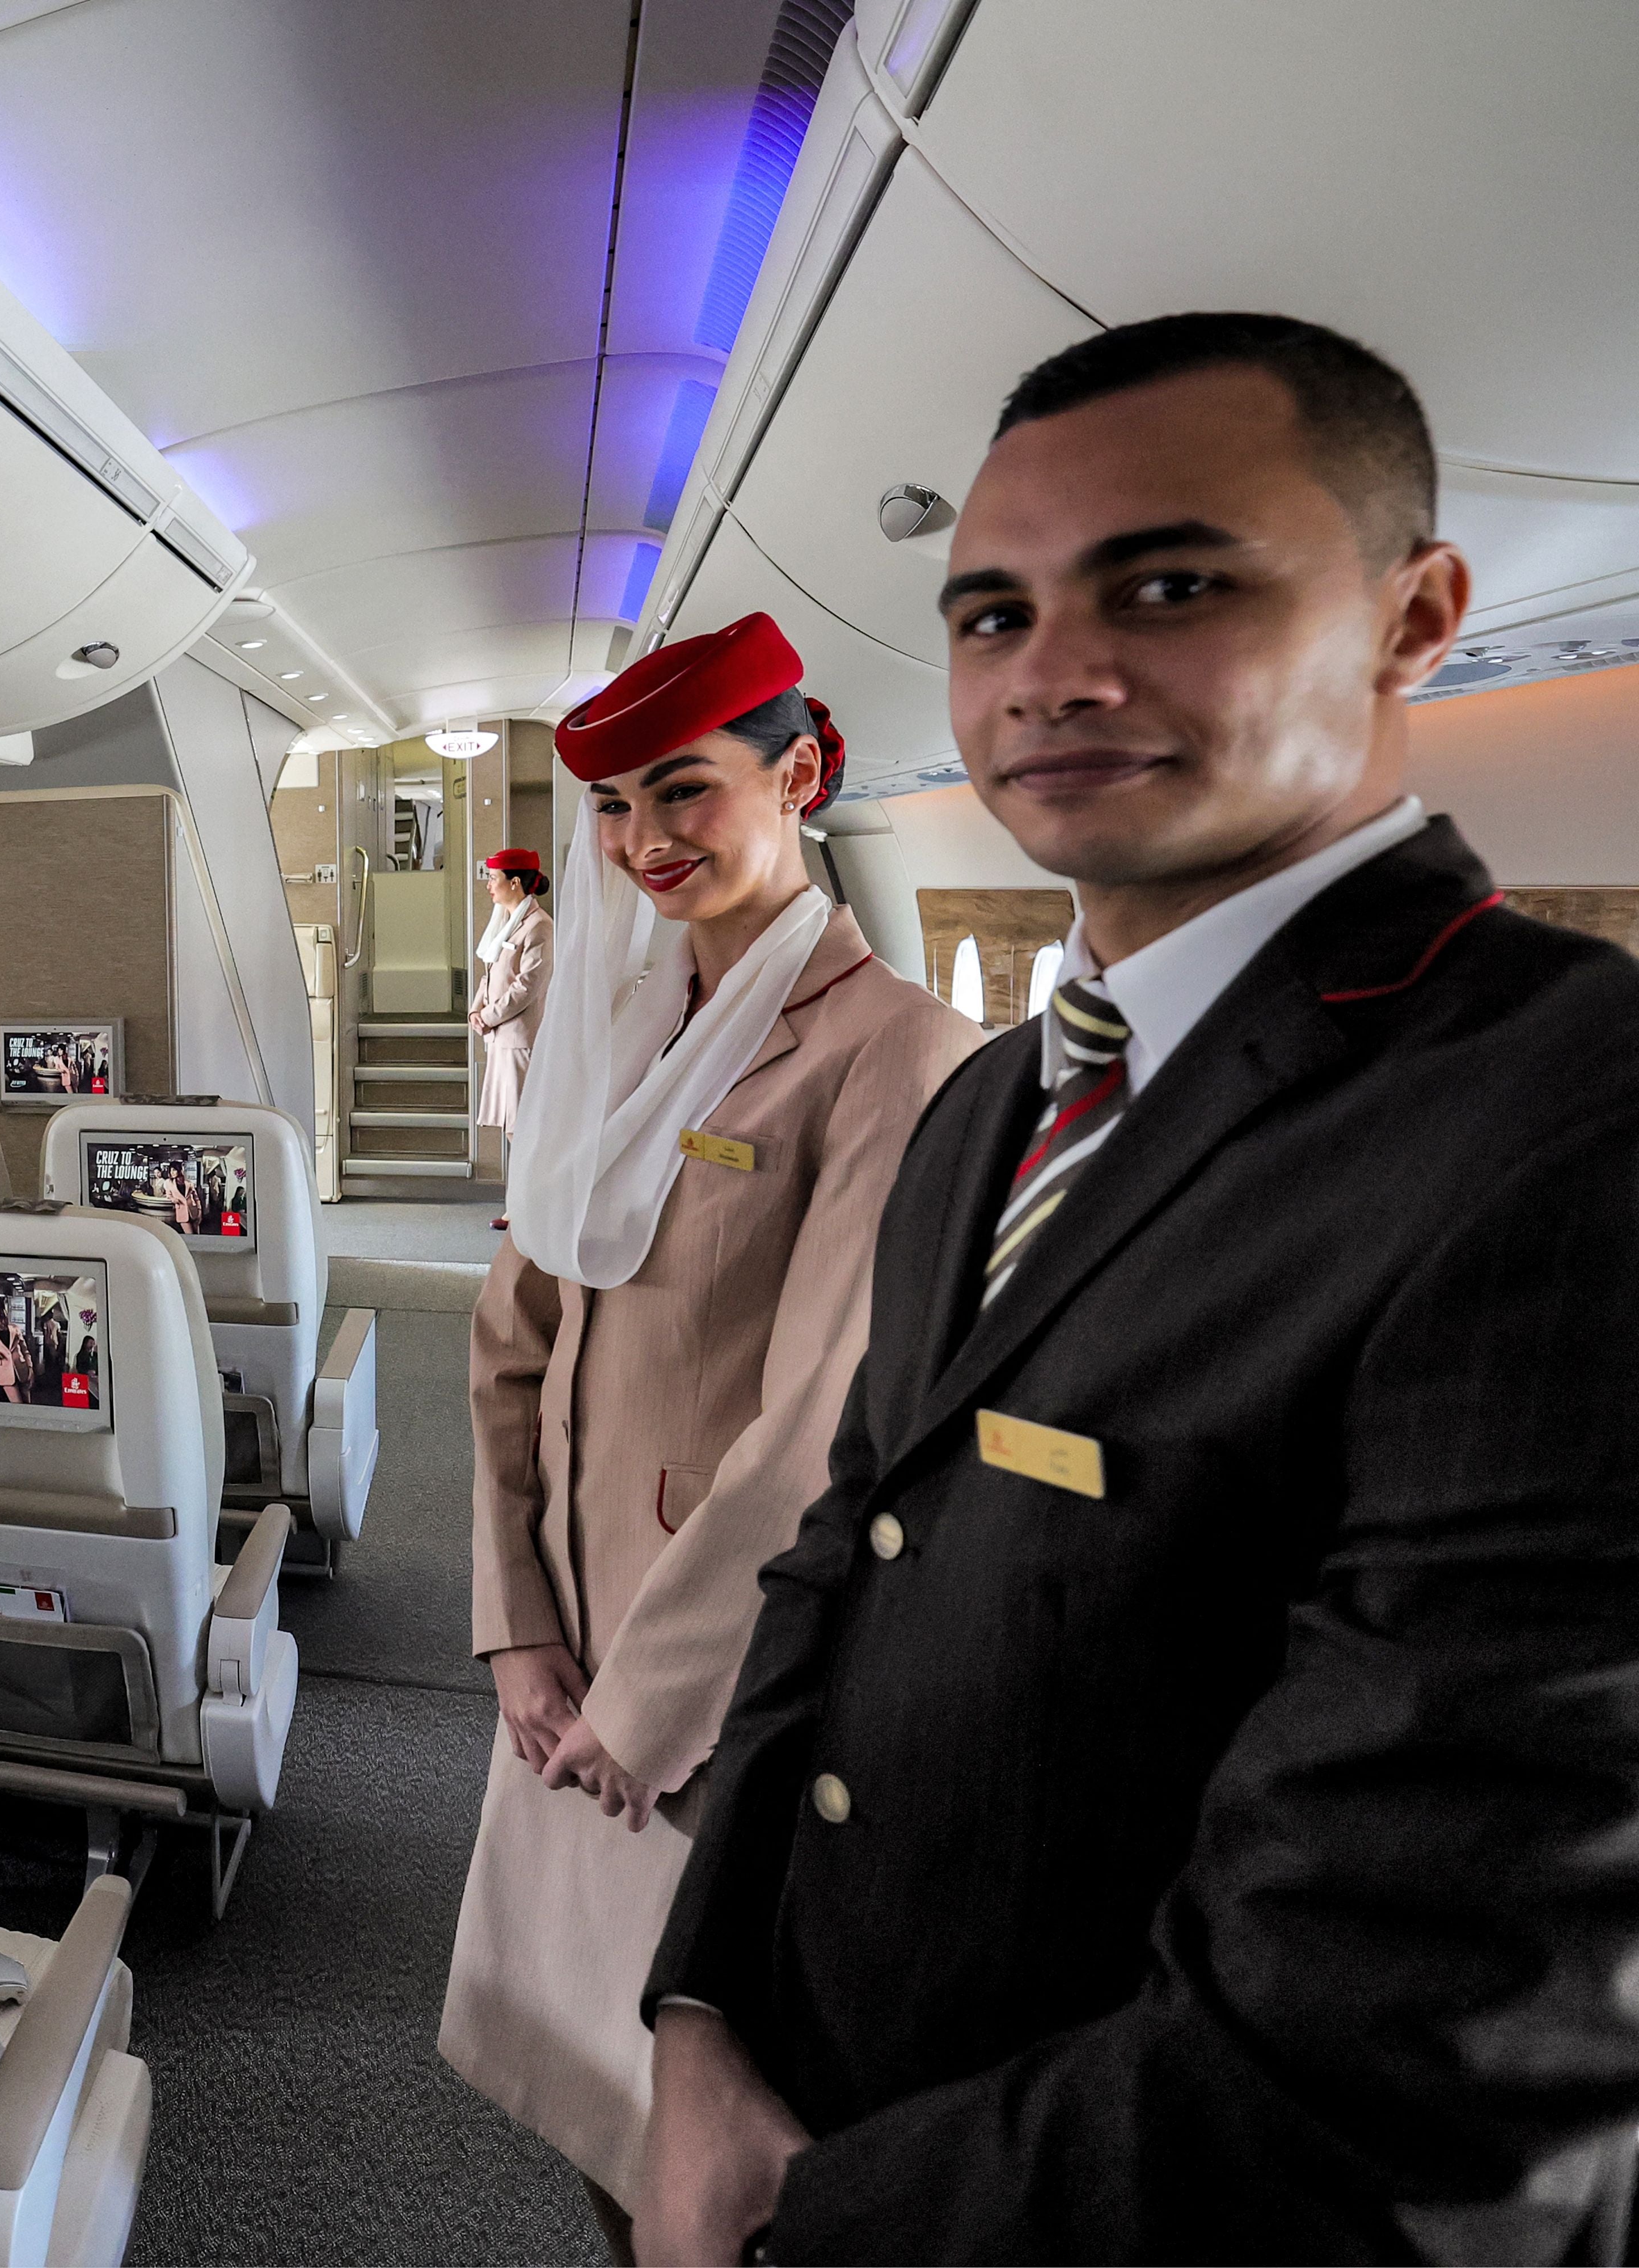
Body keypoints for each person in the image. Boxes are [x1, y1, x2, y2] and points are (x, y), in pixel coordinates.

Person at [636, 314, 1639, 2264]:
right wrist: (697, 2014)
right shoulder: (998, 1098)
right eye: (991, 615)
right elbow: (844, 1554)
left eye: (1168, 587)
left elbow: (1415, 2053)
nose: (1053, 671)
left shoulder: (1567, 1126)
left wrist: (804, 2222)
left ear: (1415, 617)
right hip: (828, 2089)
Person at [436, 610, 981, 2244]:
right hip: (565, 1645)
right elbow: (512, 1339)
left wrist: (644, 1703)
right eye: (614, 806)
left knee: (694, 2134)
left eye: (684, 790)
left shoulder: (901, 1057)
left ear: (798, 777)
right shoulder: (616, 1027)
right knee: (578, 2088)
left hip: (719, 1684)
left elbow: (822, 1421)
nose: (642, 840)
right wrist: (516, 1629)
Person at [471, 846, 554, 1229]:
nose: (489, 885)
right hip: (501, 1039)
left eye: (494, 878)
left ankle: (527, 1208)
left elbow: (527, 987)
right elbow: (490, 972)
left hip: (520, 1039)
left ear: (515, 882)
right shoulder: (506, 921)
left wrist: (488, 1016)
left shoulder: (539, 926)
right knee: (512, 1128)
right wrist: (475, 1010)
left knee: (524, 1129)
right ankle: (522, 1205)